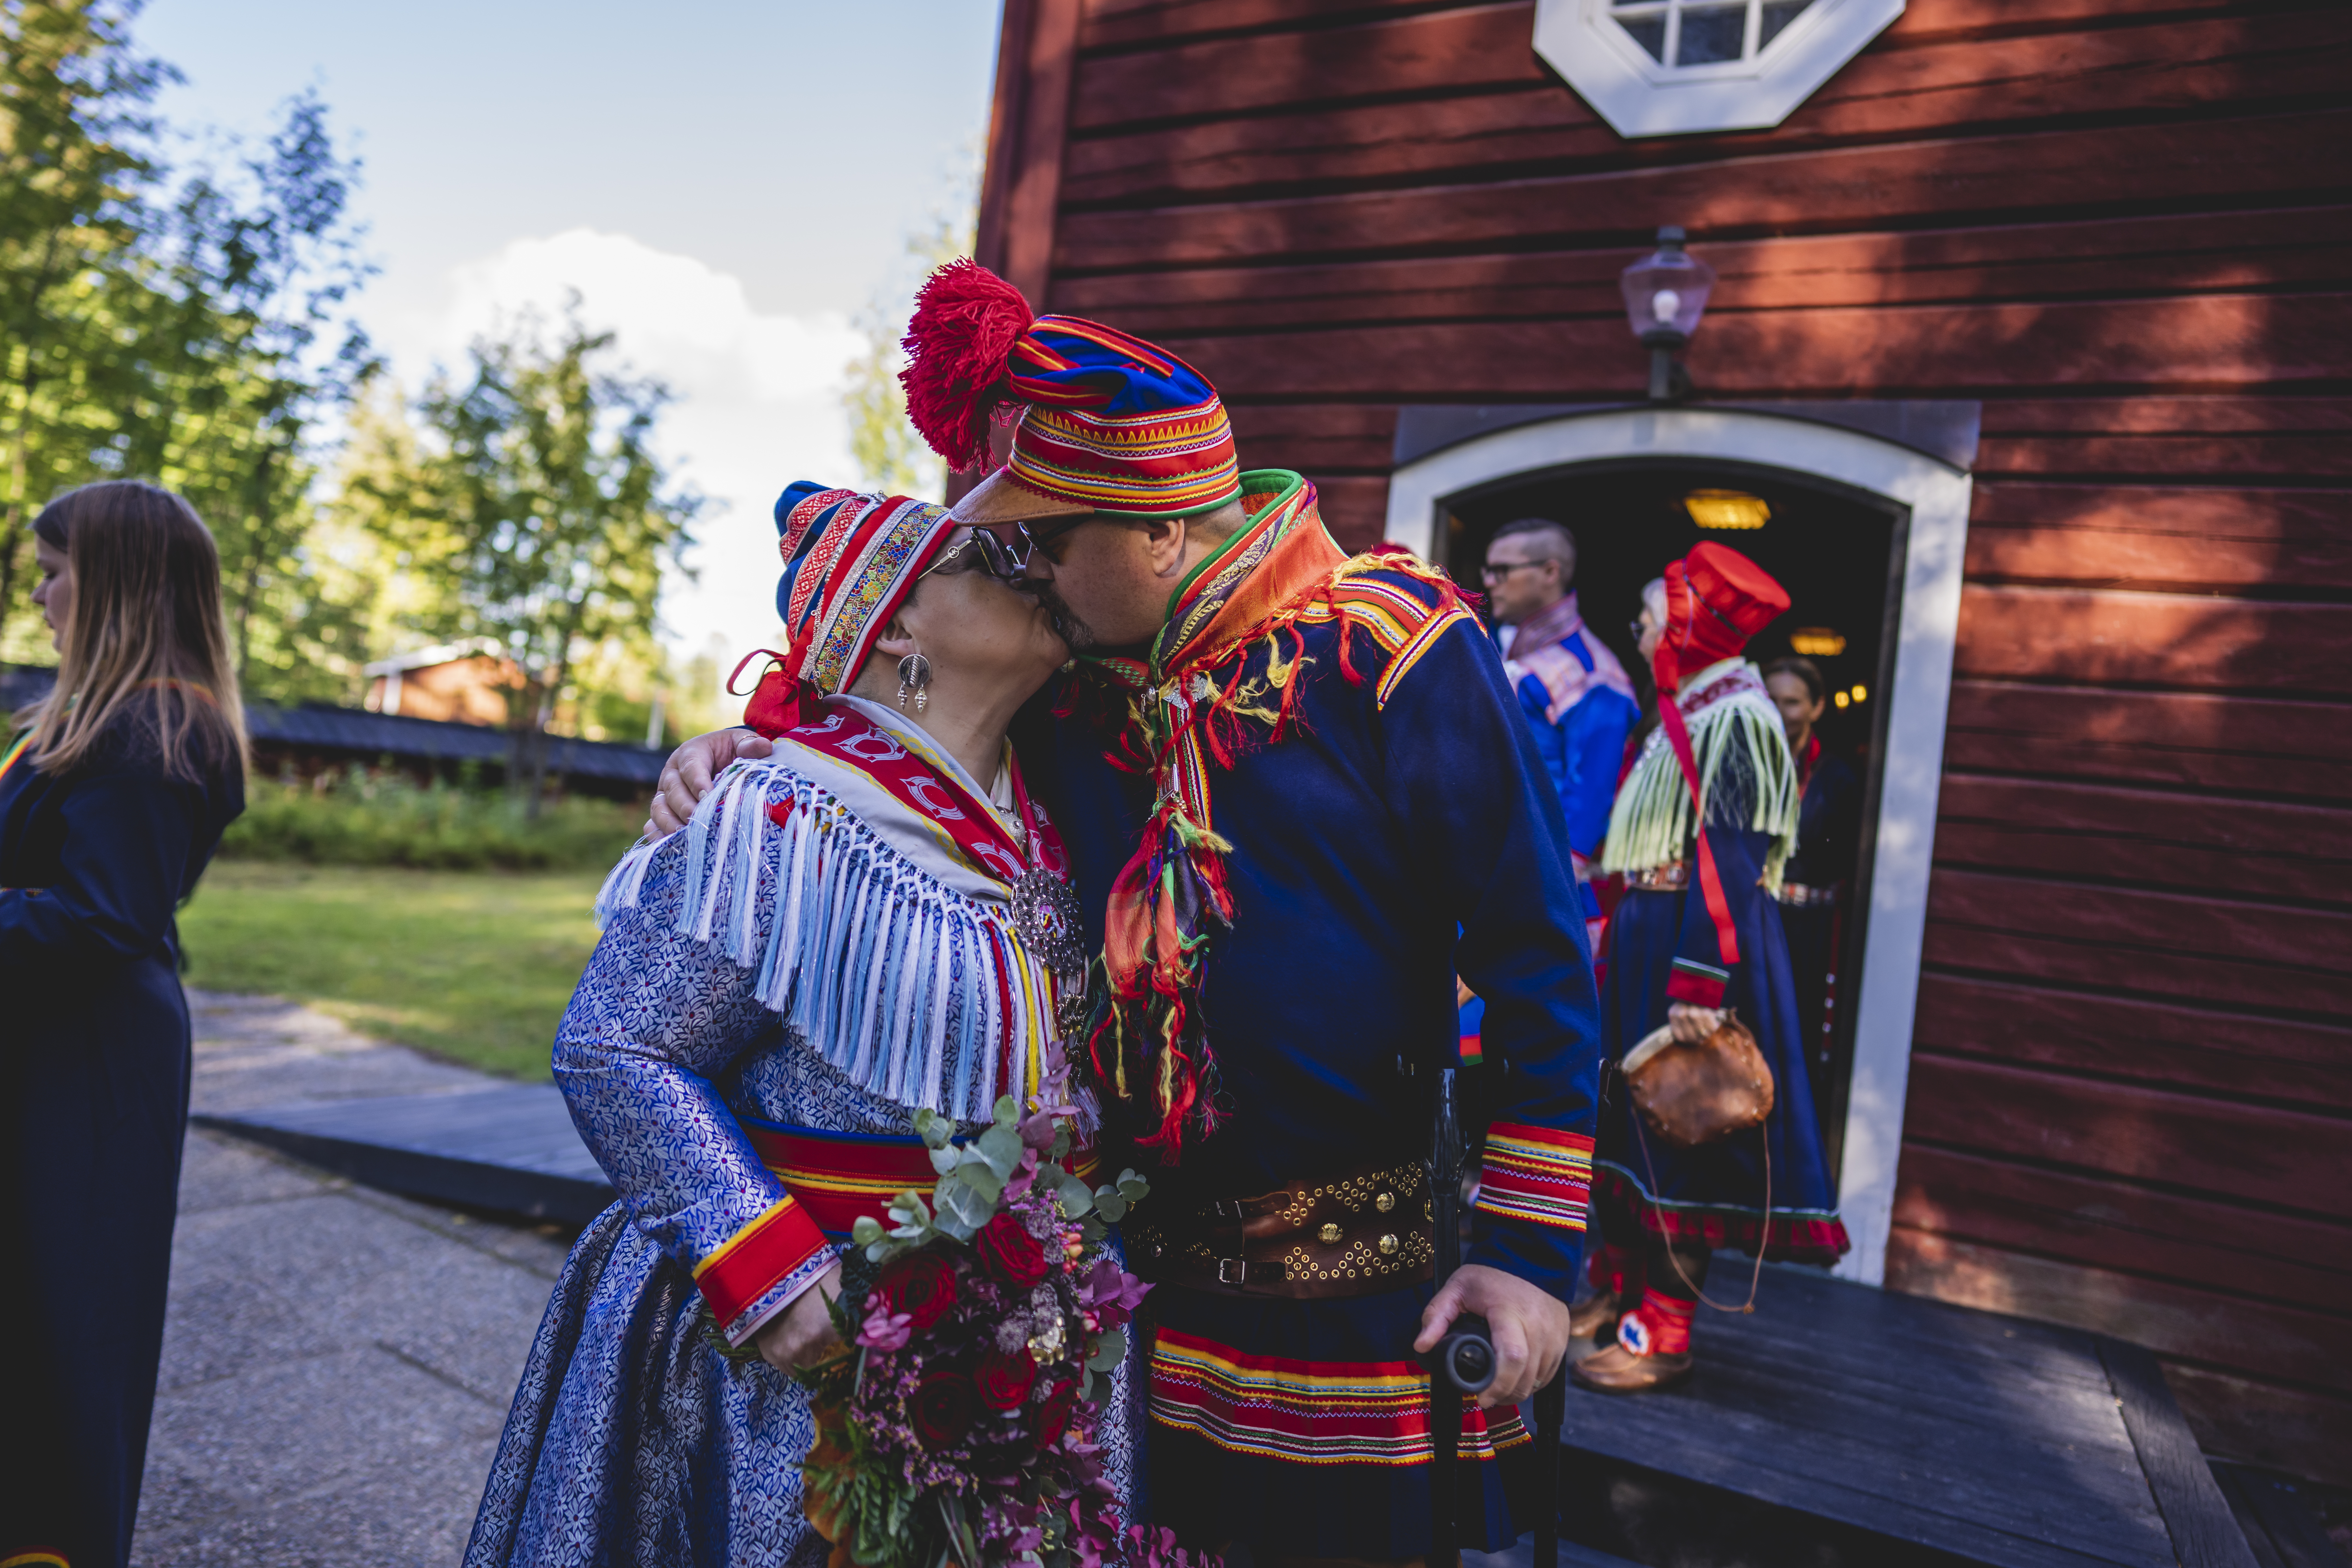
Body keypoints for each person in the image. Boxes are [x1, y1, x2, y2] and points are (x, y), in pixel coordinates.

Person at [657, 260, 1602, 1561]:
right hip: (1118, 1316)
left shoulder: (1393, 649)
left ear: (1160, 527)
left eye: (1050, 541)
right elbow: (903, 723)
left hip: (1363, 1310)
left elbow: (1541, 967)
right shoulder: (1070, 685)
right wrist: (745, 748)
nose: (1026, 571)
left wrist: (1530, 1257)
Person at [464, 490, 1128, 1565]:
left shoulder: (1051, 818)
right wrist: (763, 1266)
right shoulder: (775, 814)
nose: (1029, 566)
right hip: (808, 1354)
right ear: (898, 625)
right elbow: (614, 1046)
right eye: (983, 558)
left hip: (1020, 1345)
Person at [0, 480, 248, 1568]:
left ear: (115, 586)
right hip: (56, 1044)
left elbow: (105, 919)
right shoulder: (97, 715)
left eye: (55, 573)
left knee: (64, 1325)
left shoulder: (156, 725)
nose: (43, 596)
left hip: (87, 1066)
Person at [1570, 543, 1849, 1395]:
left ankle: (1663, 1332)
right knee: (1630, 1123)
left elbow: (1730, 856)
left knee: (1682, 1134)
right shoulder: (1688, 709)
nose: (1644, 631)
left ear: (1689, 624)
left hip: (1697, 949)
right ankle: (1619, 1291)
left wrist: (1698, 981)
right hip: (1650, 936)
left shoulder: (1735, 716)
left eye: (1652, 618)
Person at [1459, 519, 1637, 1053]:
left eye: (1503, 570)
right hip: (1477, 883)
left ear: (1550, 572)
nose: (1489, 582)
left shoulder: (1594, 675)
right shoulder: (1501, 654)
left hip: (1535, 894)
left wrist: (1530, 902)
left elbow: (1586, 811)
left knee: (1505, 1056)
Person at [1762, 656, 1860, 1111]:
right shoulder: (1747, 766)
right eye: (1772, 700)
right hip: (1756, 919)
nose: (1782, 712)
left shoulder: (1839, 779)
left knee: (1794, 1037)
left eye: (1793, 702)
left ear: (1818, 708)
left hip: (1811, 930)